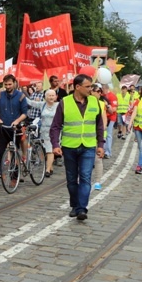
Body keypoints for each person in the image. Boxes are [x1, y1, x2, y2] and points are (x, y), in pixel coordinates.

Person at [50, 74, 105, 221]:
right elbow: (55, 127)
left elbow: (99, 125)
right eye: (87, 86)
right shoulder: (64, 102)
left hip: (88, 146)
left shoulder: (95, 102)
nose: (90, 89)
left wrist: (101, 144)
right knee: (72, 179)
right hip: (69, 147)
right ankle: (75, 205)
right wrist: (55, 145)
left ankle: (82, 209)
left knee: (86, 178)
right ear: (77, 87)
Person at [0, 74, 28, 189]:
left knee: (14, 152)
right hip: (2, 128)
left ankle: (14, 178)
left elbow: (25, 113)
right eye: (6, 84)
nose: (8, 86)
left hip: (15, 128)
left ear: (14, 83)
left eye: (9, 84)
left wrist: (17, 121)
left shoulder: (21, 96)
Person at [26, 89, 59, 178]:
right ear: (45, 97)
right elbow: (30, 102)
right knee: (46, 150)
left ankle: (47, 170)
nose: (51, 97)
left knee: (50, 150)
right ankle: (50, 167)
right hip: (44, 130)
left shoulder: (59, 105)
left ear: (56, 96)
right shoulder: (42, 104)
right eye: (49, 95)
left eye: (53, 95)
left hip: (55, 131)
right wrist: (21, 95)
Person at [90, 84, 108, 190]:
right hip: (86, 136)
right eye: (97, 91)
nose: (99, 93)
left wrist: (101, 131)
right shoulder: (84, 102)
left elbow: (104, 118)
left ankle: (97, 181)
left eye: (100, 91)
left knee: (97, 159)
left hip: (97, 135)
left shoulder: (101, 104)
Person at [101, 83, 118, 159]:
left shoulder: (112, 96)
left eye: (102, 89)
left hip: (111, 118)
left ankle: (108, 152)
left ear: (106, 89)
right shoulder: (101, 96)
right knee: (103, 134)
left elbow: (114, 110)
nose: (101, 91)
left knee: (108, 135)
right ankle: (103, 150)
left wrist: (107, 106)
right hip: (103, 117)